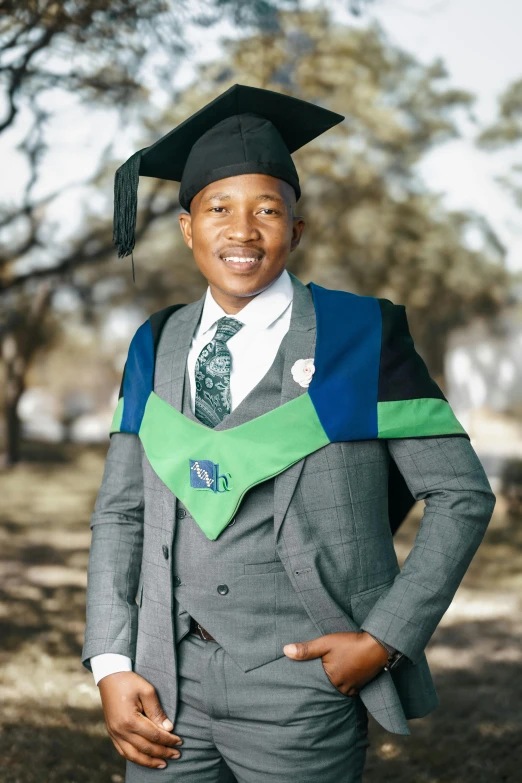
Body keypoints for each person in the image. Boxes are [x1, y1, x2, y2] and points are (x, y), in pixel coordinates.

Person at [81, 84, 496, 783]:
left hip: (301, 688)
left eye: (267, 210)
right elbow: (121, 512)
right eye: (218, 208)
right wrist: (112, 664)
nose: (242, 231)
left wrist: (384, 638)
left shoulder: (361, 337)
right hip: (162, 684)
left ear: (296, 230)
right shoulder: (155, 343)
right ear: (187, 227)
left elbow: (461, 494)